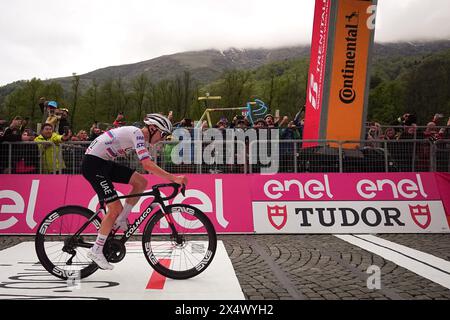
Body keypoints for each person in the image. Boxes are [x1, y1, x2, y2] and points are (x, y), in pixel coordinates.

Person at [82, 113, 187, 270]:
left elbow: (147, 166)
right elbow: (147, 165)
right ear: (152, 128)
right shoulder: (137, 134)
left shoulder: (139, 137)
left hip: (103, 163)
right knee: (114, 209)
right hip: (94, 165)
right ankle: (96, 250)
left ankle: (122, 219)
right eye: (162, 134)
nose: (162, 138)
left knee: (141, 182)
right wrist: (173, 178)